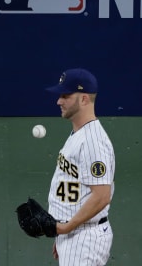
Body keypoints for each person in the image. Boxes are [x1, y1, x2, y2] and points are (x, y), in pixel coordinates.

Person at [45, 68, 116, 266]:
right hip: (75, 232)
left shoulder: (93, 141)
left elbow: (102, 195)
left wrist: (66, 228)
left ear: (84, 99)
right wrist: (63, 233)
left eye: (66, 95)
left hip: (84, 235)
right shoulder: (79, 134)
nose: (59, 101)